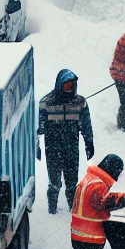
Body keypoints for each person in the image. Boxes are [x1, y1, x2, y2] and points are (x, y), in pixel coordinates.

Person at [37, 69, 94, 215]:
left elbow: (86, 124)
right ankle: (52, 210)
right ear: (59, 85)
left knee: (71, 182)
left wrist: (89, 142)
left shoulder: (79, 102)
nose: (69, 88)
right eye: (66, 85)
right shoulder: (46, 103)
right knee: (54, 182)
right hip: (53, 148)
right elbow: (37, 126)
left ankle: (72, 209)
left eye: (71, 85)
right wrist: (35, 144)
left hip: (71, 147)